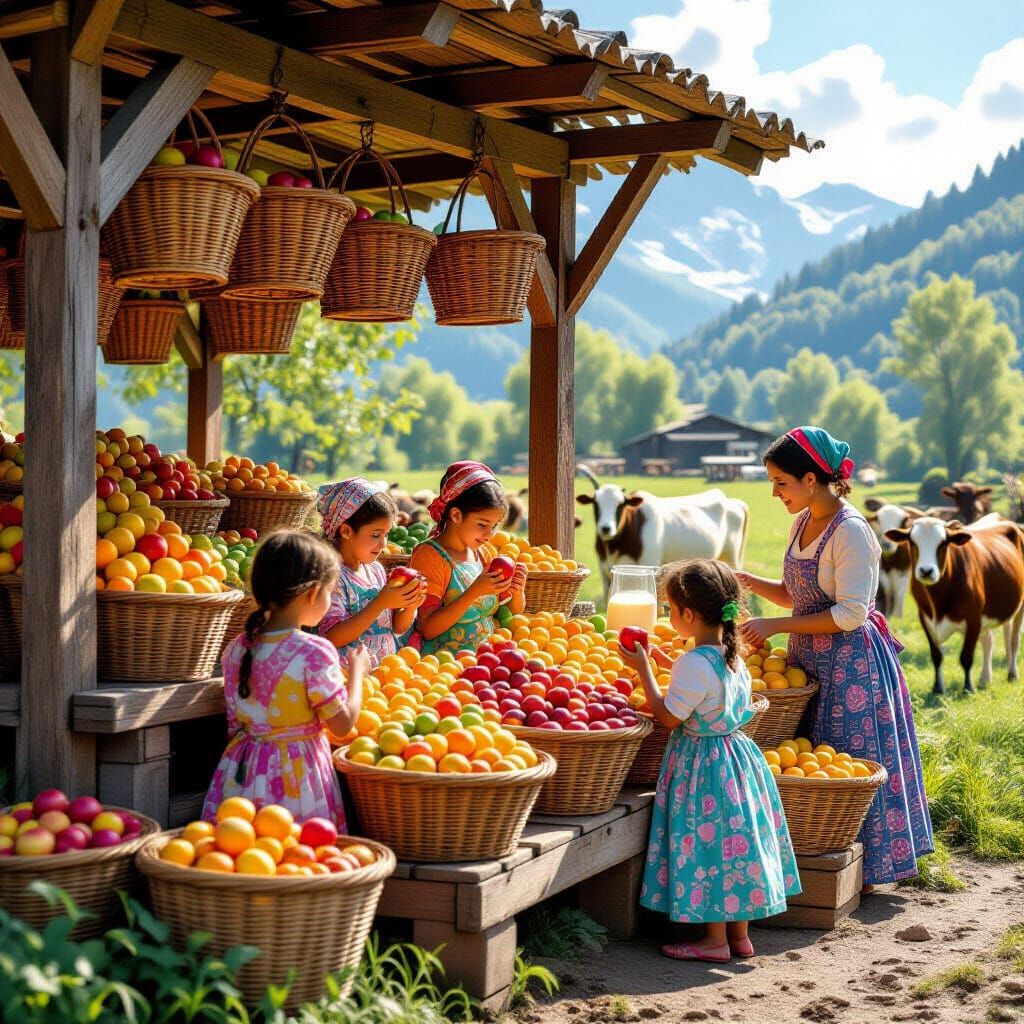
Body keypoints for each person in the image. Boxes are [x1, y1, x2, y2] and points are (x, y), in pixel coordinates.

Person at [736, 426, 933, 889]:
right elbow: (794, 594)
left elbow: (849, 614)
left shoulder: (853, 533)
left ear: (810, 479)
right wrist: (747, 580)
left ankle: (867, 872)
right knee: (812, 759)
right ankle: (822, 870)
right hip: (809, 660)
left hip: (851, 666)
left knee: (849, 762)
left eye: (780, 482)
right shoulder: (802, 521)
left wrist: (776, 626)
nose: (774, 492)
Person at [620, 559, 800, 962]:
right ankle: (740, 936)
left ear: (687, 614)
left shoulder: (694, 663)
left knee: (710, 849)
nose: (669, 617)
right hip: (737, 760)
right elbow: (709, 690)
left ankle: (713, 941)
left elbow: (669, 716)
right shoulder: (732, 656)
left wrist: (645, 671)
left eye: (670, 610)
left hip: (703, 768)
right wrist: (668, 666)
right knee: (735, 847)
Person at [203, 530, 368, 830]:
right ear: (312, 593)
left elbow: (234, 724)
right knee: (298, 856)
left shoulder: (238, 648)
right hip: (296, 777)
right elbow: (342, 725)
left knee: (243, 849)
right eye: (330, 592)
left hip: (242, 774)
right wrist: (357, 673)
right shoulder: (314, 652)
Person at [409, 461, 527, 654]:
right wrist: (474, 592)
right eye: (482, 524)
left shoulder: (484, 553)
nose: (489, 534)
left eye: (494, 526)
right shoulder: (430, 556)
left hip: (485, 662)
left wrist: (517, 591)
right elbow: (428, 628)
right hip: (442, 667)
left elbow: (514, 611)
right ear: (456, 515)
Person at [317, 477, 426, 669]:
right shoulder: (334, 577)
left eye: (386, 534)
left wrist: (410, 605)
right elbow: (332, 636)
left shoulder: (376, 571)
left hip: (383, 672)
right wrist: (380, 603)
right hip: (349, 676)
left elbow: (396, 627)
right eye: (376, 535)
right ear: (346, 531)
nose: (383, 543)